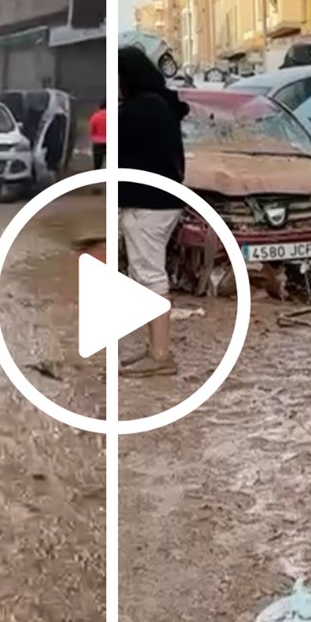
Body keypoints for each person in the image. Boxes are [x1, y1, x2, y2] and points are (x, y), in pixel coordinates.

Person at [116, 45, 188, 377]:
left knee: (150, 278)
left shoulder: (135, 111)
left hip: (147, 206)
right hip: (162, 202)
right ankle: (153, 351)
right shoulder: (162, 105)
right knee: (145, 276)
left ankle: (160, 356)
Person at [89, 102, 107, 170]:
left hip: (97, 141)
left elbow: (92, 129)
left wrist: (92, 137)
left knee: (97, 159)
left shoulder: (95, 116)